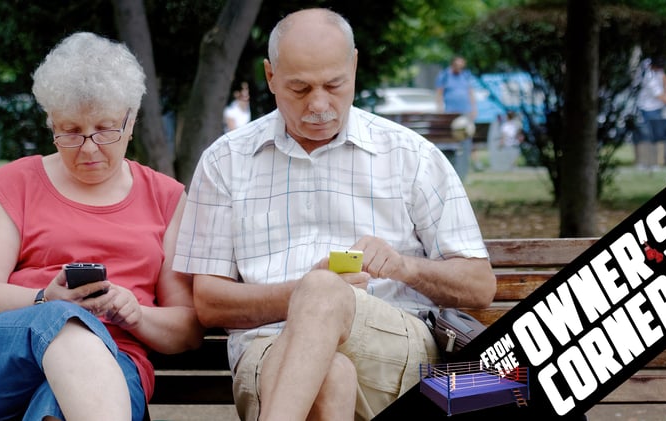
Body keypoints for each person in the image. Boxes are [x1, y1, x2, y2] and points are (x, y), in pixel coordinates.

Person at [173, 8, 496, 421]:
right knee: (329, 372)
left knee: (323, 292)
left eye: (334, 84)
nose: (320, 104)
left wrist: (402, 267)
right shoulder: (225, 160)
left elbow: (479, 284)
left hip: (391, 350)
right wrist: (308, 294)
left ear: (355, 65)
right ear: (270, 76)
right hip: (268, 349)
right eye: (300, 88)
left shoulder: (410, 155)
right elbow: (211, 304)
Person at [0, 32, 204, 421]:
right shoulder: (17, 183)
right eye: (70, 131)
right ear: (51, 121)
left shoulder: (165, 197)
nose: (88, 148)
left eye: (104, 129)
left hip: (115, 365)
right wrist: (45, 300)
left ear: (131, 120)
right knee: (64, 319)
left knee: (59, 405)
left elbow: (187, 330)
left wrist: (135, 314)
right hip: (5, 359)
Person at [435, 56, 479, 173]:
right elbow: (439, 93)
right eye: (458, 66)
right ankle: (452, 164)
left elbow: (470, 92)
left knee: (468, 137)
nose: (459, 69)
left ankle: (470, 164)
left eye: (462, 67)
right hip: (450, 112)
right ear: (452, 65)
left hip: (465, 111)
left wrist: (474, 108)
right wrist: (440, 108)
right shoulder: (444, 75)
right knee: (452, 139)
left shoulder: (465, 75)